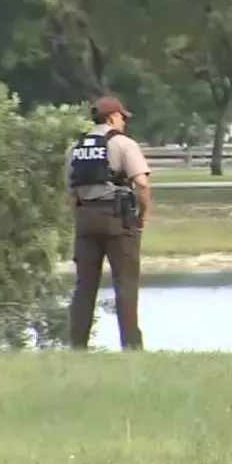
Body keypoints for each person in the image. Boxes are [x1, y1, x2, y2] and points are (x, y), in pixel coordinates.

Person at [66, 95, 152, 350]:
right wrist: (141, 216)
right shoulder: (124, 144)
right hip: (118, 217)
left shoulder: (75, 148)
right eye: (122, 117)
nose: (124, 121)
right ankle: (131, 346)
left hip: (86, 219)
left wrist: (80, 217)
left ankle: (77, 346)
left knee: (84, 286)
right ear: (113, 117)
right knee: (125, 284)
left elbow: (71, 192)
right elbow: (142, 183)